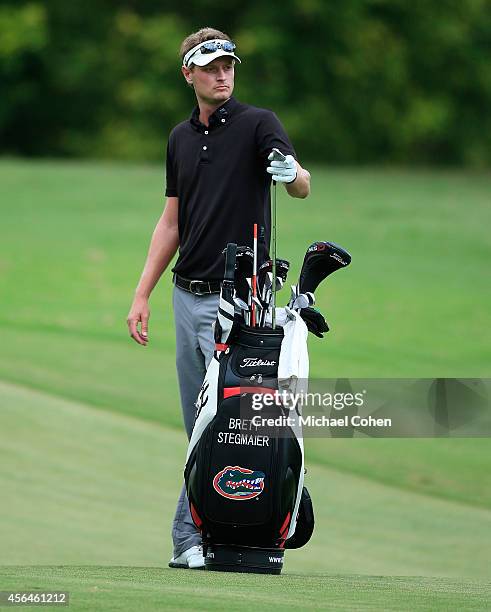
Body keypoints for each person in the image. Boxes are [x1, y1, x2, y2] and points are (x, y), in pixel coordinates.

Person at [126, 27, 311, 569]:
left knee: (228, 422)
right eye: (209, 66)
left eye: (228, 64)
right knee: (196, 425)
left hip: (242, 302)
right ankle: (212, 535)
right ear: (189, 74)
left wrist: (292, 173)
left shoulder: (259, 124)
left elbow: (298, 183)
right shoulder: (179, 139)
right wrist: (143, 293)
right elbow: (171, 222)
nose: (222, 73)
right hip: (188, 297)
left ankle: (193, 538)